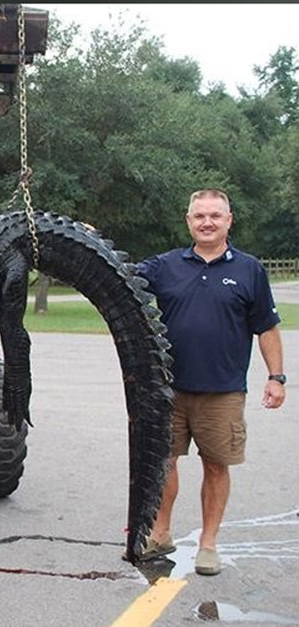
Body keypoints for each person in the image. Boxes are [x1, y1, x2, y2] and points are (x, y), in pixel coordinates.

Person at [133, 188, 286, 575]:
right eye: (199, 216)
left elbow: (266, 327)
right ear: (189, 221)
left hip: (223, 391)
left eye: (215, 216)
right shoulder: (165, 265)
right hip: (168, 389)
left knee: (216, 466)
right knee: (164, 464)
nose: (207, 222)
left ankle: (208, 544)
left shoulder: (249, 269)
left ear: (228, 220)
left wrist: (276, 377)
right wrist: (91, 237)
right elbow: (120, 273)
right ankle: (160, 532)